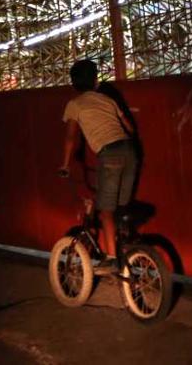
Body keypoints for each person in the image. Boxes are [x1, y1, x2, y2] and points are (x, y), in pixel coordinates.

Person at [58, 59, 138, 270]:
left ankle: (112, 260)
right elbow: (129, 128)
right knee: (121, 207)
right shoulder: (107, 99)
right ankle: (129, 249)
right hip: (130, 152)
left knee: (105, 211)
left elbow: (70, 138)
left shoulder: (75, 104)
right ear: (95, 81)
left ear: (73, 84)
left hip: (109, 155)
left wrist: (65, 165)